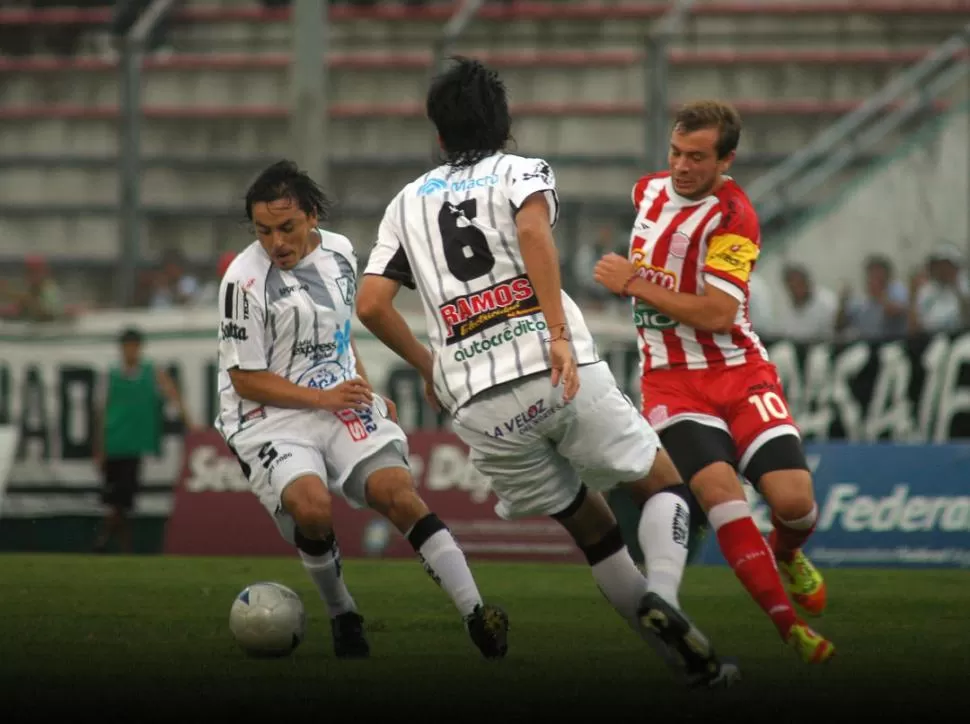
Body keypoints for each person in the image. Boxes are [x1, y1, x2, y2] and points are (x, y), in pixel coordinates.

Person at [356, 57, 739, 688]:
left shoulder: (405, 204)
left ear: (440, 133)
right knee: (664, 483)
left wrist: (430, 365)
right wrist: (558, 334)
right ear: (505, 125)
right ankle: (664, 595)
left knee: (592, 530)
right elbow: (533, 229)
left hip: (478, 405)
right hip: (553, 366)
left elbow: (371, 304)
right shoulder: (521, 171)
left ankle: (693, 669)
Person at [215, 160, 507, 661]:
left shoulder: (342, 253)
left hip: (335, 394)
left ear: (311, 217)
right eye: (263, 231)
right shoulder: (242, 282)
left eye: (286, 228)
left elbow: (338, 337)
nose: (275, 242)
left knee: (397, 491)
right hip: (268, 414)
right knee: (312, 508)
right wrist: (323, 399)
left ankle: (478, 613)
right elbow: (245, 378)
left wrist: (363, 387)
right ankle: (342, 612)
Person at [592, 100, 834, 664]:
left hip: (738, 371)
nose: (681, 166)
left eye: (697, 157)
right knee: (721, 497)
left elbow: (719, 314)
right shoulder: (645, 192)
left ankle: (788, 550)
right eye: (676, 152)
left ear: (727, 160)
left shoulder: (734, 218)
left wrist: (633, 283)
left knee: (796, 505)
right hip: (672, 384)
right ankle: (789, 629)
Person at [93, 327, 194, 553]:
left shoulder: (151, 371)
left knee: (124, 498)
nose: (131, 351)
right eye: (127, 346)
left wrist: (190, 424)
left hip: (134, 444)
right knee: (114, 499)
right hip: (114, 442)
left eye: (134, 346)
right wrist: (99, 448)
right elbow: (101, 411)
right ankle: (114, 541)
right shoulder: (110, 375)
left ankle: (109, 541)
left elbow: (172, 393)